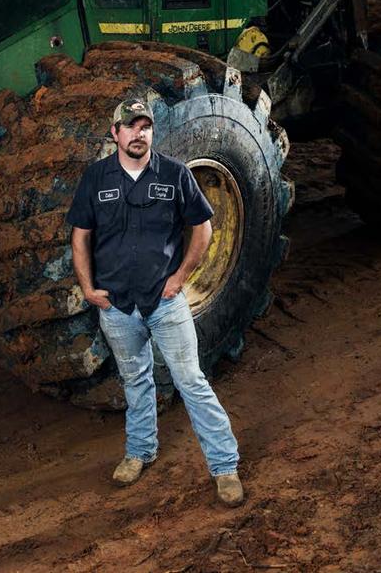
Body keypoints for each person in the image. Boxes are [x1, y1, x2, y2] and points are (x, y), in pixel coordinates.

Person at [66, 97, 243, 506]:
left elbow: (203, 228)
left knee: (191, 382)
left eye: (145, 126)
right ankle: (139, 452)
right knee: (136, 380)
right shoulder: (96, 178)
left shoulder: (175, 174)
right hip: (118, 308)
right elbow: (81, 238)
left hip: (164, 303)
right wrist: (89, 289)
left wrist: (180, 277)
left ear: (151, 132)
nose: (138, 133)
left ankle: (224, 466)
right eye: (130, 126)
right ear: (115, 133)